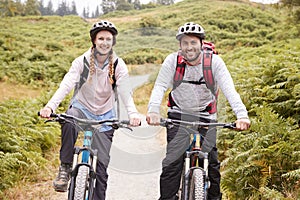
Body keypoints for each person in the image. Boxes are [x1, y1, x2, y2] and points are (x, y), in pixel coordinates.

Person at [146, 22, 251, 200]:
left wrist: (242, 115)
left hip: (206, 115)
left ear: (201, 43)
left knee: (212, 165)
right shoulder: (172, 61)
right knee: (172, 164)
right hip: (178, 114)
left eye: (193, 42)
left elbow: (229, 90)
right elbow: (160, 86)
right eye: (185, 43)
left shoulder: (214, 62)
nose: (189, 47)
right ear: (180, 45)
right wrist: (153, 111)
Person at [39, 20, 141, 200]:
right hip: (82, 109)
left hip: (106, 115)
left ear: (113, 42)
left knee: (102, 171)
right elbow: (66, 84)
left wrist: (133, 113)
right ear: (94, 40)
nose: (105, 42)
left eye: (108, 39)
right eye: (101, 38)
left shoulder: (118, 64)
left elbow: (125, 91)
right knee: (69, 119)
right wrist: (50, 106)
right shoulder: (82, 61)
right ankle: (65, 167)